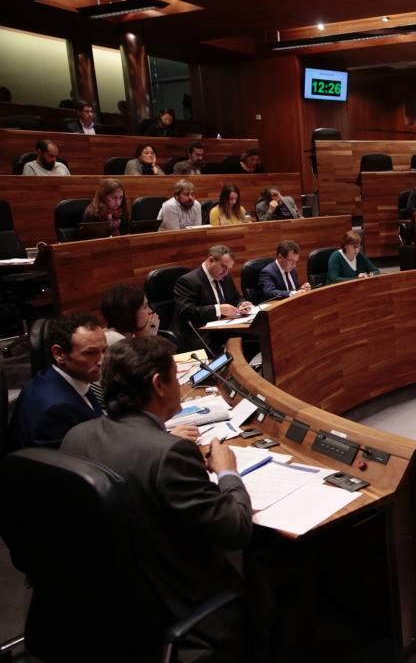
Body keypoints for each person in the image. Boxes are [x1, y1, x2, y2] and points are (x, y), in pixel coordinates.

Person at [60, 336, 252, 661]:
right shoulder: (168, 453)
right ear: (158, 384)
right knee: (276, 557)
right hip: (173, 599)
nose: (179, 385)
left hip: (101, 597)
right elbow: (236, 530)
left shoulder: (76, 436)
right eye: (175, 377)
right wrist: (226, 472)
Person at [6, 314, 106, 452]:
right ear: (59, 354)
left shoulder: (53, 378)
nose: (102, 361)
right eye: (90, 353)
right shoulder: (57, 410)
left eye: (104, 351)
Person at [173, 244, 252, 351]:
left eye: (228, 269)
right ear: (211, 260)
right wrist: (218, 309)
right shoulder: (188, 281)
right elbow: (187, 311)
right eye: (224, 267)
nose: (226, 272)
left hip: (224, 328)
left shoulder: (226, 278)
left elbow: (237, 297)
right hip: (200, 332)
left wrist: (241, 304)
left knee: (254, 338)